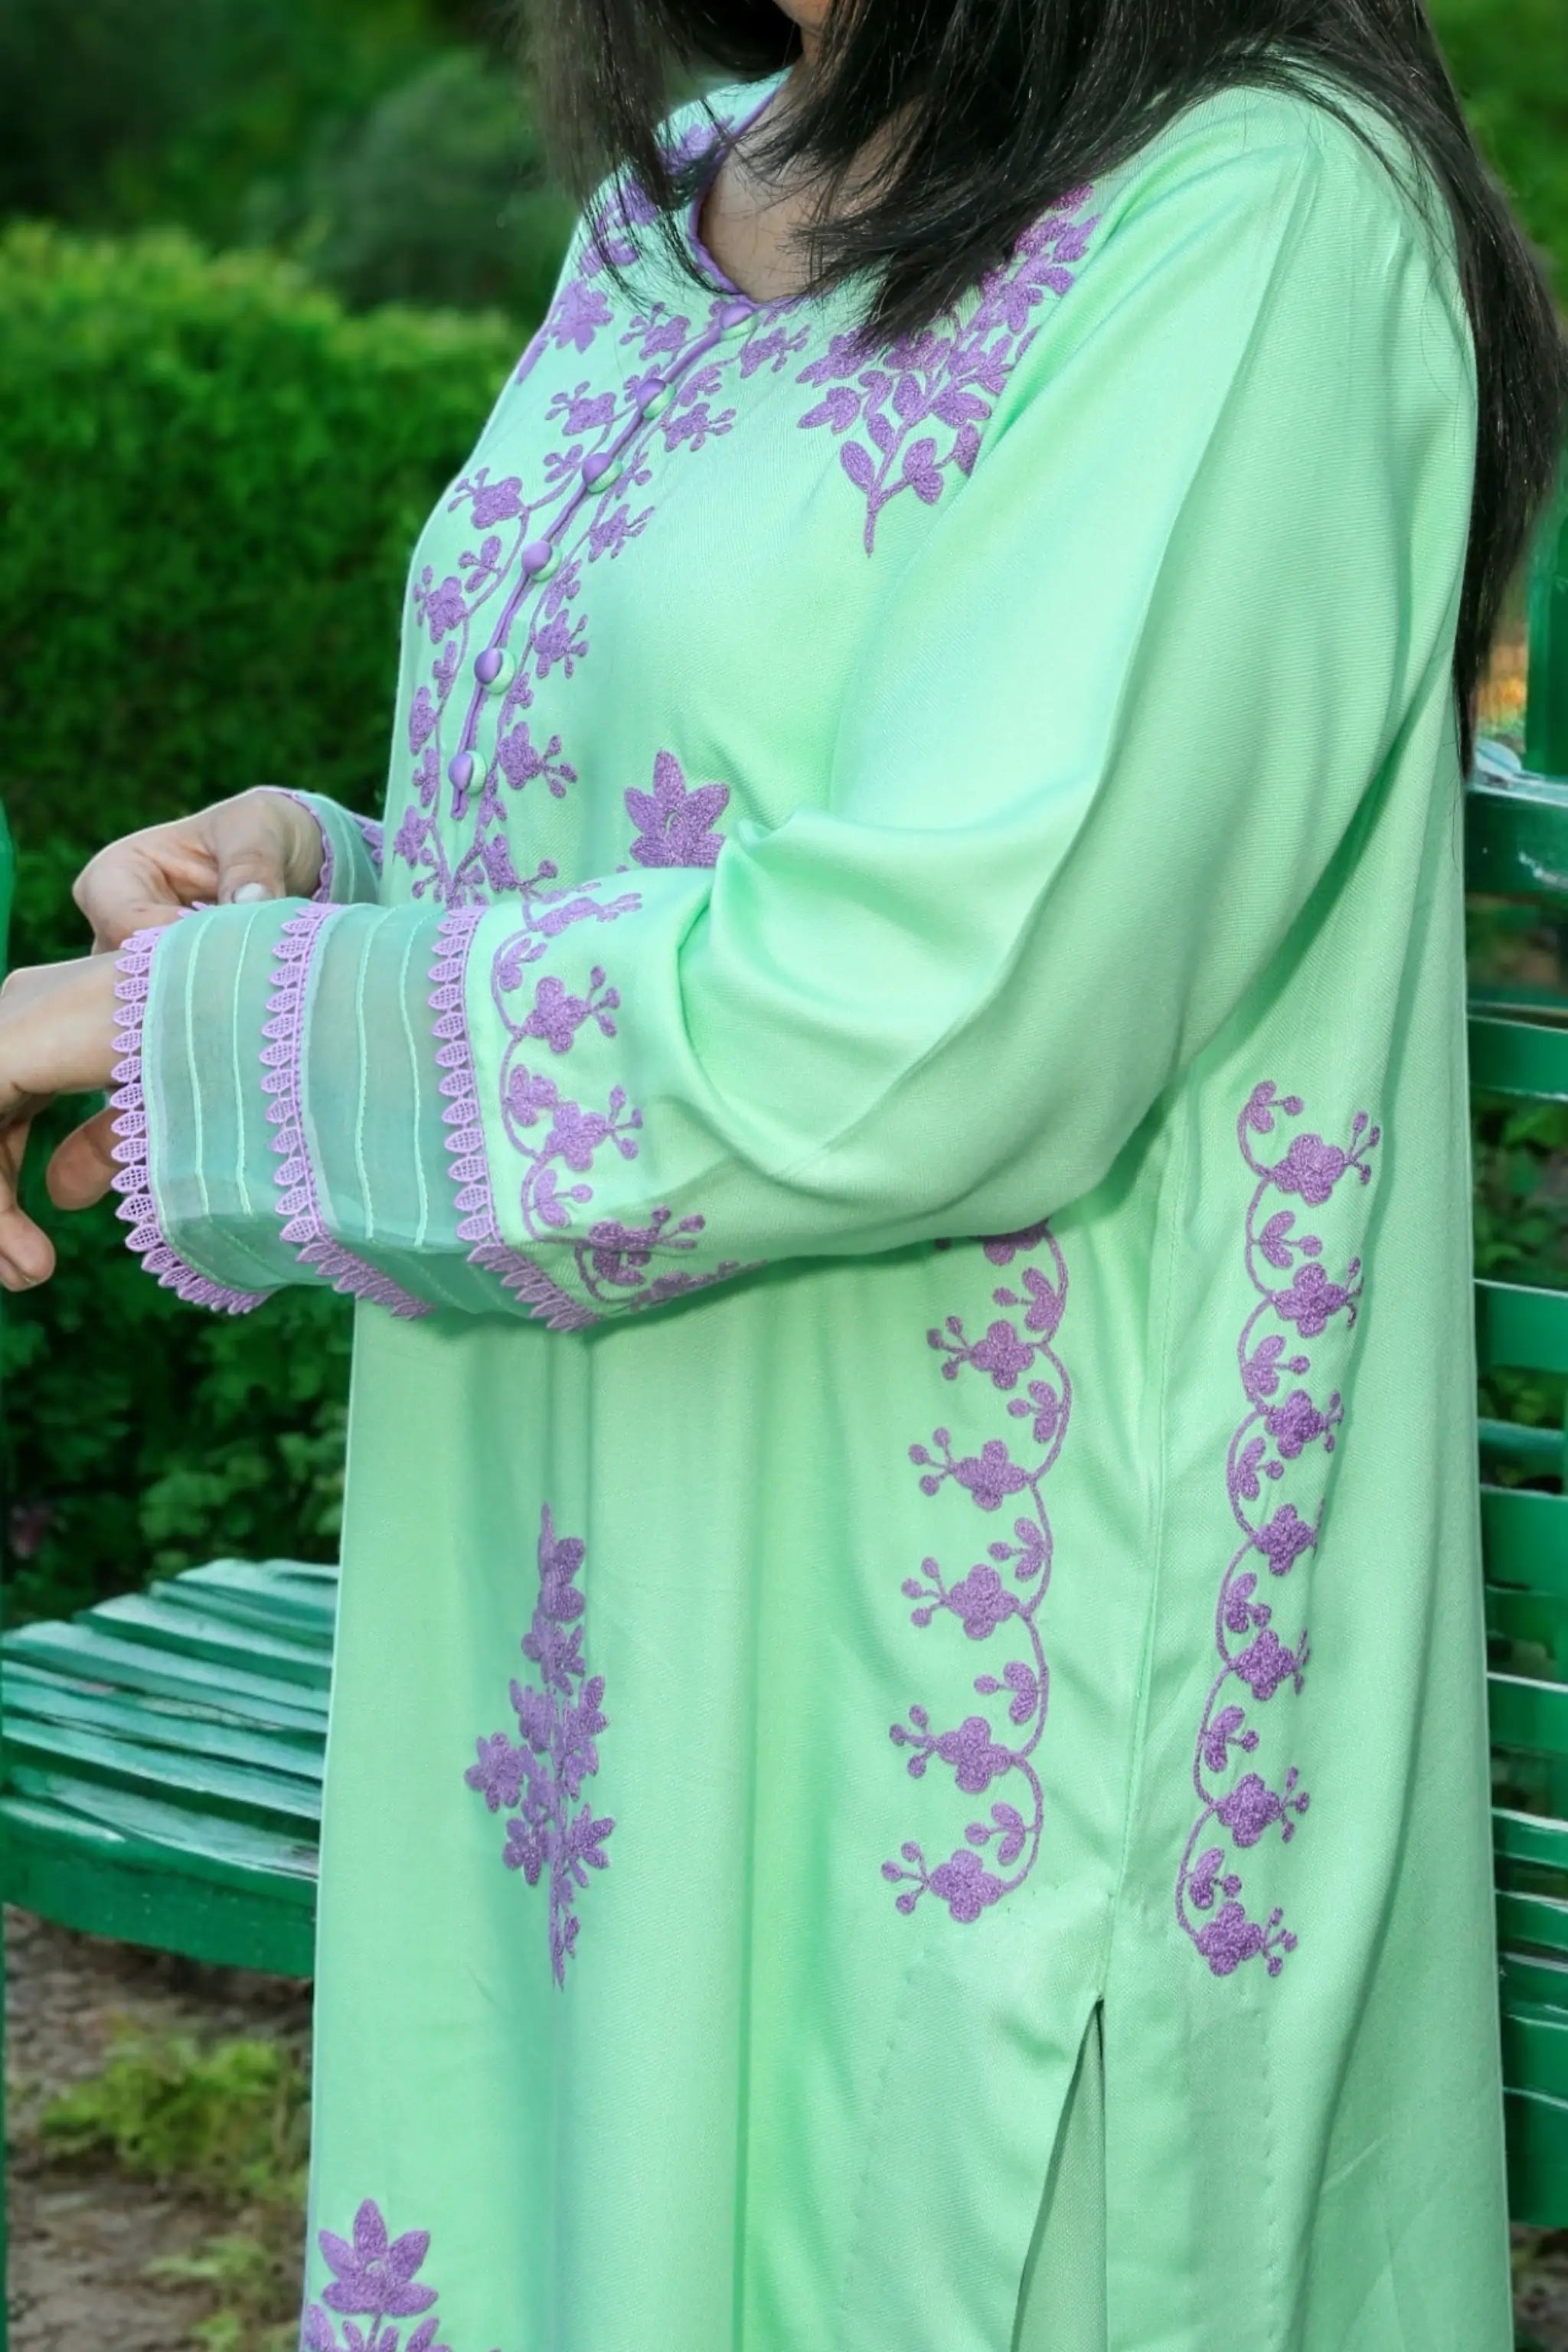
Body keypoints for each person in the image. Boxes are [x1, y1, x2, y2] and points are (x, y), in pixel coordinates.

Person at [1, 0, 1563, 2342]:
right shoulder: (687, 191)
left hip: (962, 1698)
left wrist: (176, 1034)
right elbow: (687, 816)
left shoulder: (1261, 209)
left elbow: (952, 1006)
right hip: (564, 1656)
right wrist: (318, 897)